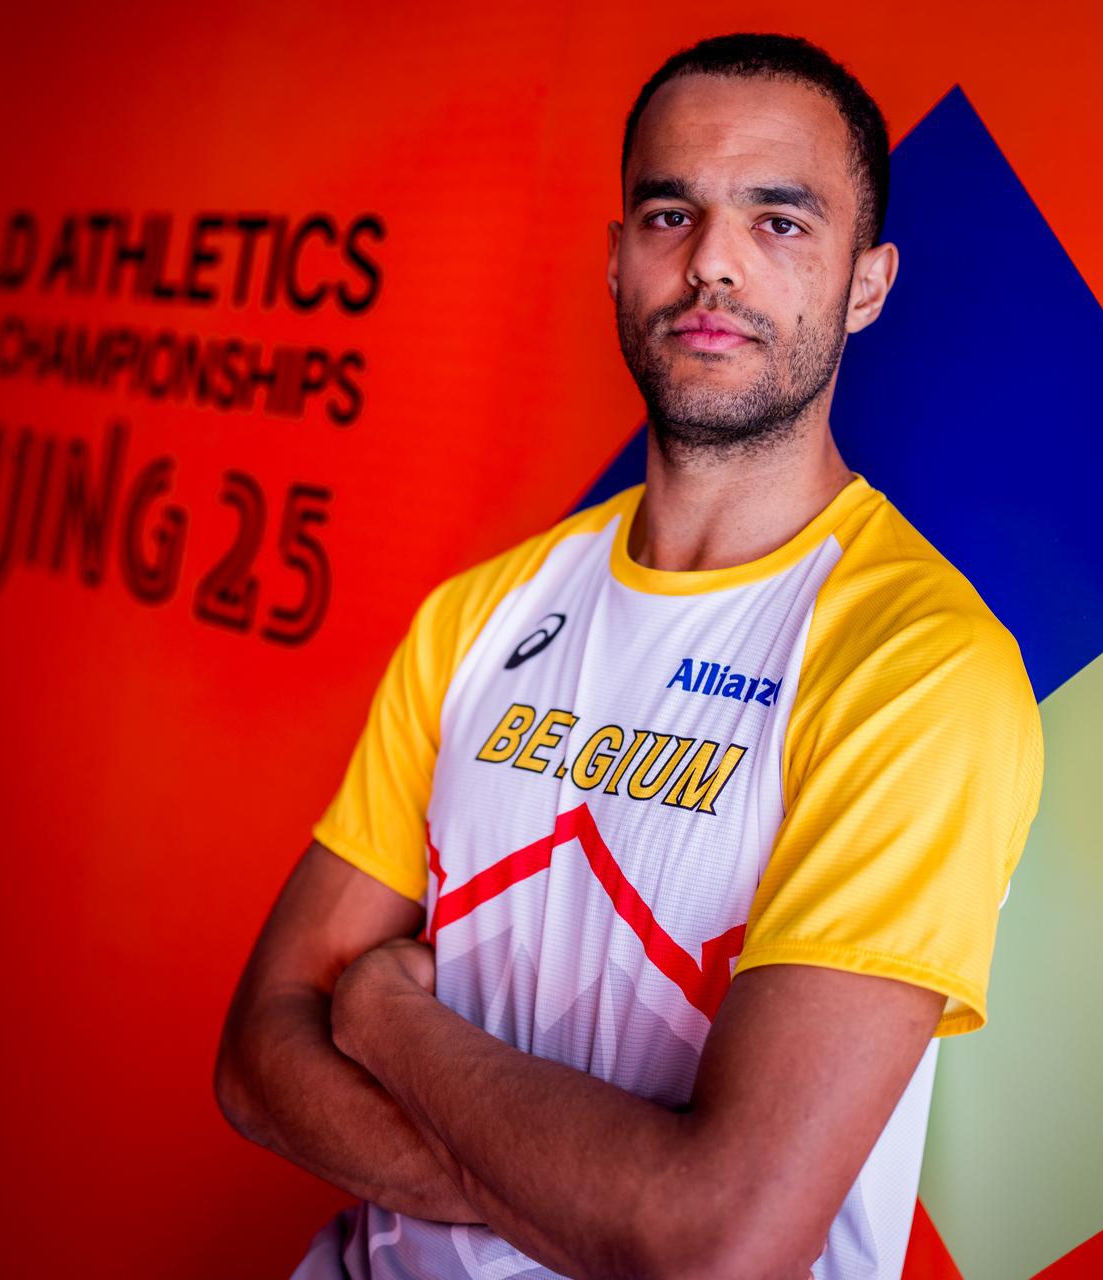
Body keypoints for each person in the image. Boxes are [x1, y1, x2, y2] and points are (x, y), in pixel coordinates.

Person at [214, 31, 1044, 1279]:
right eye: (671, 213)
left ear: (867, 284)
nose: (711, 262)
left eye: (779, 223)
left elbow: (717, 1241)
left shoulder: (915, 668)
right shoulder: (481, 614)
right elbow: (258, 1058)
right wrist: (601, 1185)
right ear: (616, 259)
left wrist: (389, 1019)